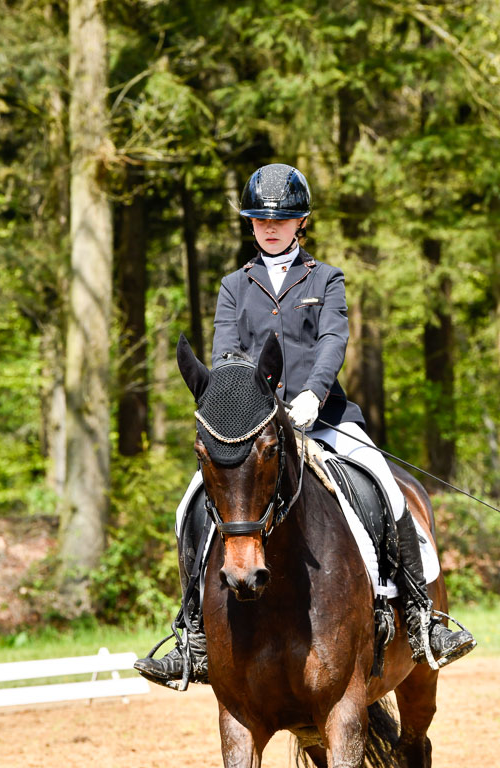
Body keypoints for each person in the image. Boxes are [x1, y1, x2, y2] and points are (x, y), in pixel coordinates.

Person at [135, 163, 475, 687]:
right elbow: (227, 353)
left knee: (384, 484)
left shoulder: (326, 279)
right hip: (256, 426)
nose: (271, 228)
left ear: (301, 222)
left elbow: (333, 341)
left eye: (283, 219)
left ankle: (421, 616)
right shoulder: (234, 286)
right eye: (260, 220)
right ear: (250, 225)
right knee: (189, 505)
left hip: (322, 415)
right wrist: (252, 408)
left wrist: (314, 395)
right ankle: (194, 636)